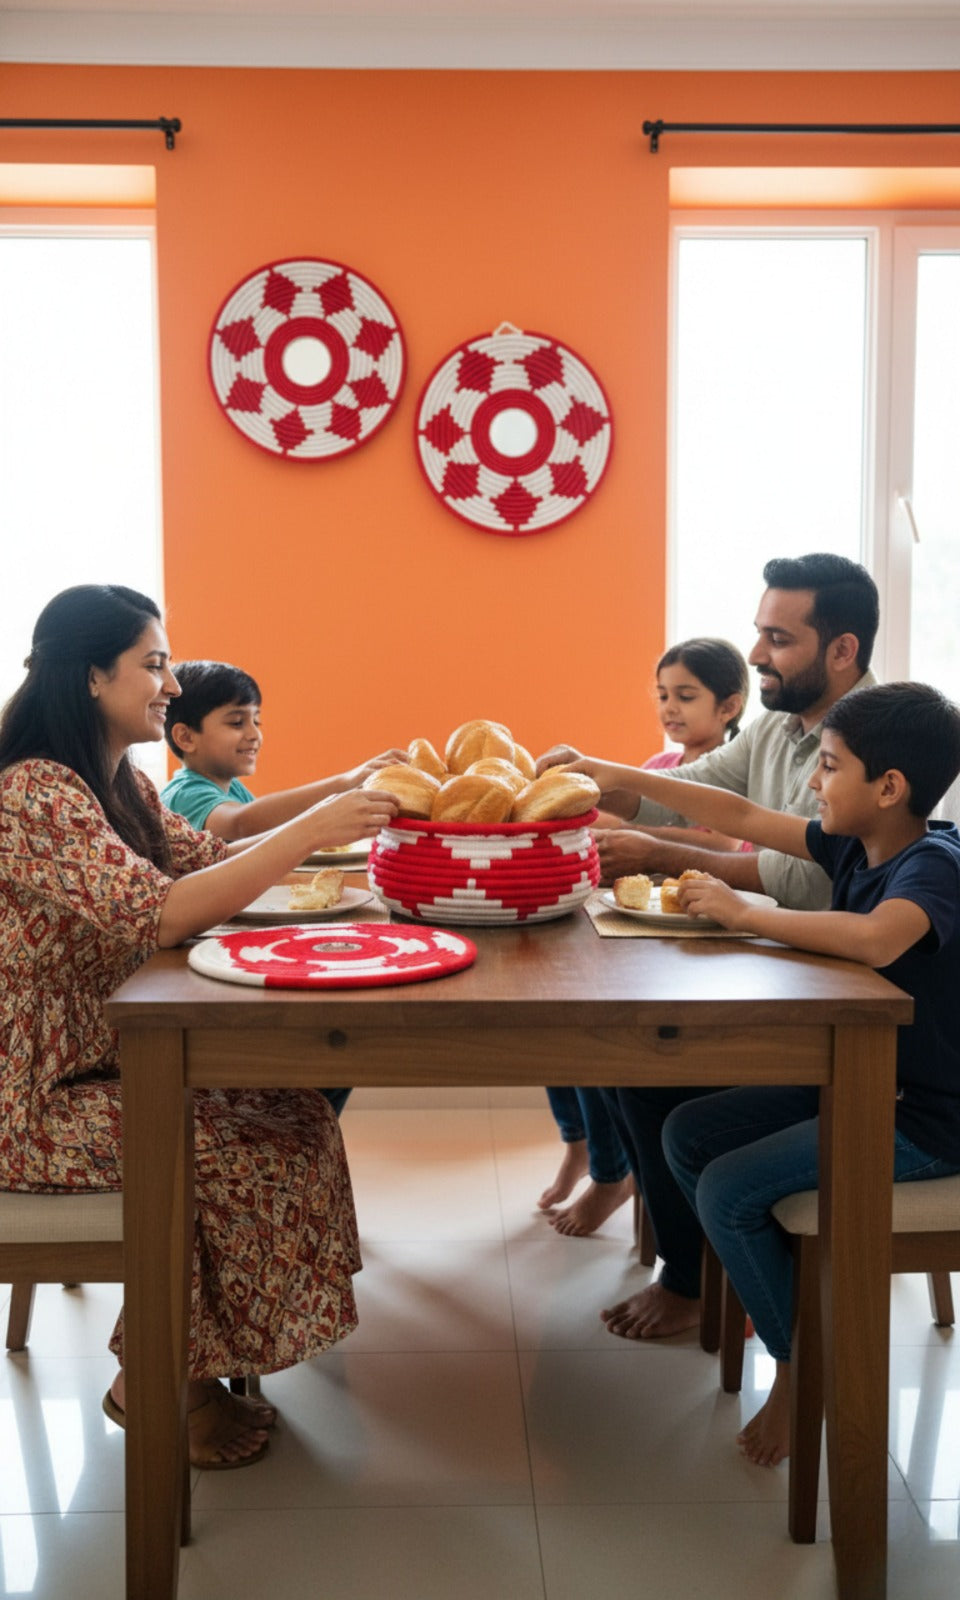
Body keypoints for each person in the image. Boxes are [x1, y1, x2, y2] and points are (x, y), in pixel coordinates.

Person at [0, 585, 400, 1470]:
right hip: (30, 1105)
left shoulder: (116, 782)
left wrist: (349, 848)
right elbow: (163, 914)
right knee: (240, 1146)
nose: (170, 683)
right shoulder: (33, 792)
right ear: (92, 674)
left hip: (103, 1065)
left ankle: (198, 1364)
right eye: (153, 663)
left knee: (294, 1111)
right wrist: (320, 828)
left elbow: (218, 864)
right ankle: (154, 1382)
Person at [573, 681, 960, 1466]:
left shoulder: (935, 863)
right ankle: (781, 1305)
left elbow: (882, 938)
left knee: (727, 1187)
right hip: (871, 1084)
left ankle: (798, 1366)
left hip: (932, 1121)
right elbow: (744, 820)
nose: (813, 782)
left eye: (827, 766)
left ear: (888, 788)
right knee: (688, 1130)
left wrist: (745, 912)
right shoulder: (859, 842)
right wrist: (612, 770)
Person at [537, 552, 880, 1337]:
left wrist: (662, 853)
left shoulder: (869, 737)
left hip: (832, 991)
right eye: (758, 635)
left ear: (842, 650)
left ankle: (696, 1281)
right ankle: (691, 1263)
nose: (757, 653)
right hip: (779, 966)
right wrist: (595, 774)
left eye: (776, 638)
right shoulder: (781, 727)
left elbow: (805, 881)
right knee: (631, 1061)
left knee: (655, 1072)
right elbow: (699, 789)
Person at [540, 638, 750, 1238]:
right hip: (633, 929)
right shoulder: (656, 770)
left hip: (693, 942)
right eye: (662, 695)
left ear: (730, 706)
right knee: (554, 1025)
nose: (670, 708)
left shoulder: (736, 774)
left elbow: (734, 845)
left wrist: (647, 839)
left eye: (686, 696)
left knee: (598, 1039)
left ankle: (614, 1172)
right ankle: (582, 1146)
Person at [161, 658, 405, 838]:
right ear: (186, 737)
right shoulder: (185, 795)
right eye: (236, 722)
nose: (254, 734)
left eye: (256, 721)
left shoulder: (232, 788)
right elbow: (241, 825)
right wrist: (345, 783)